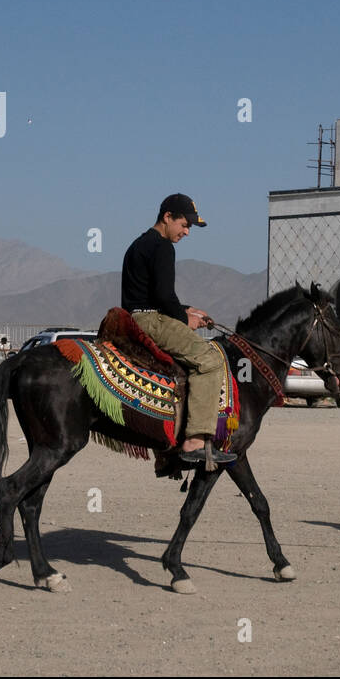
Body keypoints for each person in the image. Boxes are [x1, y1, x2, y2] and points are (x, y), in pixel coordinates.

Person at [122, 193, 235, 472]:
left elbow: (154, 296)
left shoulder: (140, 244)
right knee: (209, 360)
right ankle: (194, 442)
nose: (186, 232)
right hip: (152, 322)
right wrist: (185, 319)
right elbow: (163, 297)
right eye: (184, 225)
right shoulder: (162, 247)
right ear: (167, 217)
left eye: (190, 228)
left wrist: (187, 310)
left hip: (140, 315)